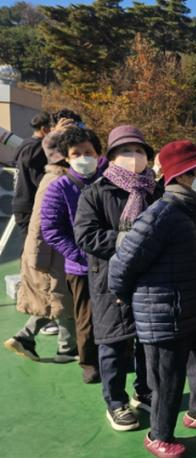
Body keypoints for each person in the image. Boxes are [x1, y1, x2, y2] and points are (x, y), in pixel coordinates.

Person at [108, 140, 196, 458]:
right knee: (168, 380)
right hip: (162, 314)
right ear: (182, 176)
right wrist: (121, 294)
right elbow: (123, 260)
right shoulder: (161, 214)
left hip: (192, 306)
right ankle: (158, 435)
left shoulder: (192, 208)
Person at [74, 125, 160, 431]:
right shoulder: (96, 192)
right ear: (111, 157)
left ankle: (144, 390)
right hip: (110, 280)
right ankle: (115, 401)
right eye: (125, 151)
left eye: (139, 151)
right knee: (113, 343)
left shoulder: (156, 190)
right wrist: (129, 240)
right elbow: (86, 236)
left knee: (147, 340)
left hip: (149, 279)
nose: (134, 157)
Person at [3, 127, 77, 362]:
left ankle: (26, 337)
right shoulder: (57, 181)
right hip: (53, 254)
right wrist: (38, 258)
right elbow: (40, 225)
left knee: (55, 300)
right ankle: (66, 349)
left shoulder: (53, 177)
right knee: (63, 301)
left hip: (52, 253)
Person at [40, 126, 104, 384]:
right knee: (86, 318)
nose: (83, 158)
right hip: (81, 267)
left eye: (88, 152)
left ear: (98, 154)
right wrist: (79, 255)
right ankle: (89, 362)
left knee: (118, 313)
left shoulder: (111, 181)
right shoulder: (59, 188)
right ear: (66, 158)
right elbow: (51, 230)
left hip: (113, 262)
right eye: (76, 154)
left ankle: (122, 355)